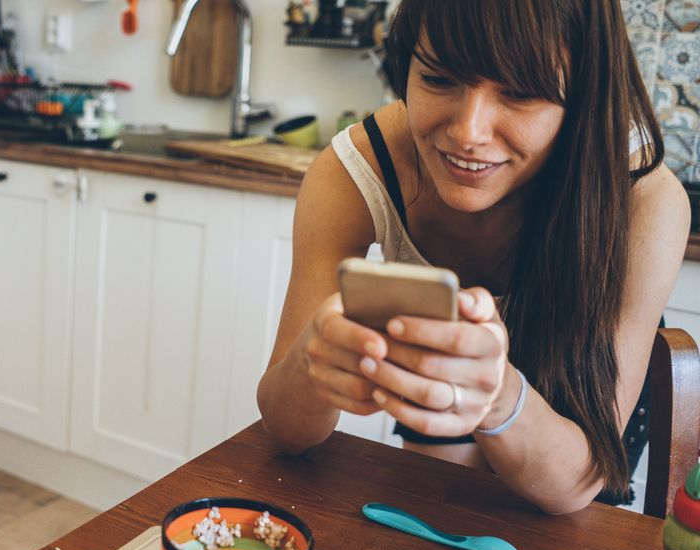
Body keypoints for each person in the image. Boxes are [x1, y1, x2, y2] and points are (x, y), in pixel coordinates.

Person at [257, 0, 690, 515]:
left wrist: (500, 395)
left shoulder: (642, 199)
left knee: (545, 539)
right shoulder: (357, 170)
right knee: (434, 510)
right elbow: (287, 431)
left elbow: (574, 483)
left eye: (522, 92)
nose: (468, 132)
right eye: (439, 79)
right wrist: (315, 359)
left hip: (578, 420)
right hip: (442, 375)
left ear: (583, 95)